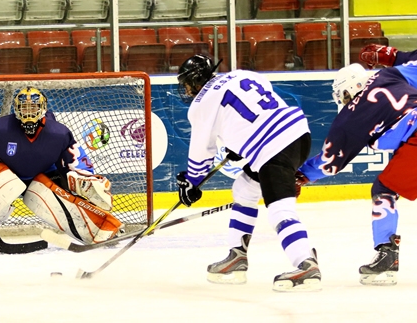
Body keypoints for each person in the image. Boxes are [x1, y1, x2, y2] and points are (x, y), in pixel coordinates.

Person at [175, 54, 321, 292]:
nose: (187, 89)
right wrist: (238, 142)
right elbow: (257, 109)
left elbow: (202, 152)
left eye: (187, 83)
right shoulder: (243, 74)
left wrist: (192, 182)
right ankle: (236, 256)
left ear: (194, 81)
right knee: (244, 188)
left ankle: (305, 263)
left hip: (272, 148)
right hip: (298, 134)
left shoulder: (201, 104)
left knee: (280, 209)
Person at [0, 86, 122, 251]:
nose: (28, 112)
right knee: (4, 184)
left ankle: (100, 229)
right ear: (16, 109)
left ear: (42, 108)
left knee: (42, 194)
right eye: (24, 107)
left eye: (33, 107)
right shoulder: (1, 128)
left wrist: (88, 182)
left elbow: (76, 166)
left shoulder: (59, 133)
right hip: (4, 176)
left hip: (43, 180)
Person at [297, 46, 417, 286]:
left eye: (343, 95)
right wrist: (393, 55)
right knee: (392, 177)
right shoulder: (391, 74)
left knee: (383, 189)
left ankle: (387, 255)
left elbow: (329, 163)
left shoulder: (351, 115)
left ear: (351, 88)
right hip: (410, 137)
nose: (344, 101)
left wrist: (300, 176)